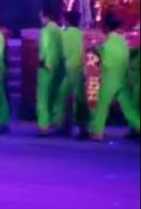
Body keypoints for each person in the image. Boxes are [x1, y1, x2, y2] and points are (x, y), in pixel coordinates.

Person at [88, 13, 141, 141]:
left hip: (109, 79)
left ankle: (97, 132)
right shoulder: (123, 42)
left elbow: (99, 53)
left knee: (102, 106)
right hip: (123, 78)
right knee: (129, 108)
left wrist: (93, 48)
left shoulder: (107, 43)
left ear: (106, 27)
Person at [52, 10, 86, 136]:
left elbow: (61, 51)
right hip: (79, 69)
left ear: (67, 21)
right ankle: (81, 126)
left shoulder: (65, 34)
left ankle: (63, 124)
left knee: (62, 97)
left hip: (70, 69)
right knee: (79, 99)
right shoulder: (80, 34)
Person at [36, 6, 65, 136]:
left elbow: (45, 47)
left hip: (46, 67)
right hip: (58, 67)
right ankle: (56, 121)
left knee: (43, 97)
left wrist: (43, 61)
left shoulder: (45, 31)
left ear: (45, 16)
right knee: (56, 95)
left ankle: (44, 125)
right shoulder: (60, 30)